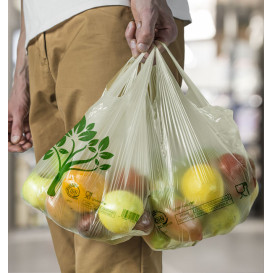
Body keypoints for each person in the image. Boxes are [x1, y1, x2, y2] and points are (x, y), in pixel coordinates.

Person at [8, 0, 191, 272]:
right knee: (72, 228)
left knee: (114, 242)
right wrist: (22, 72)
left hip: (111, 16)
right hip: (40, 35)